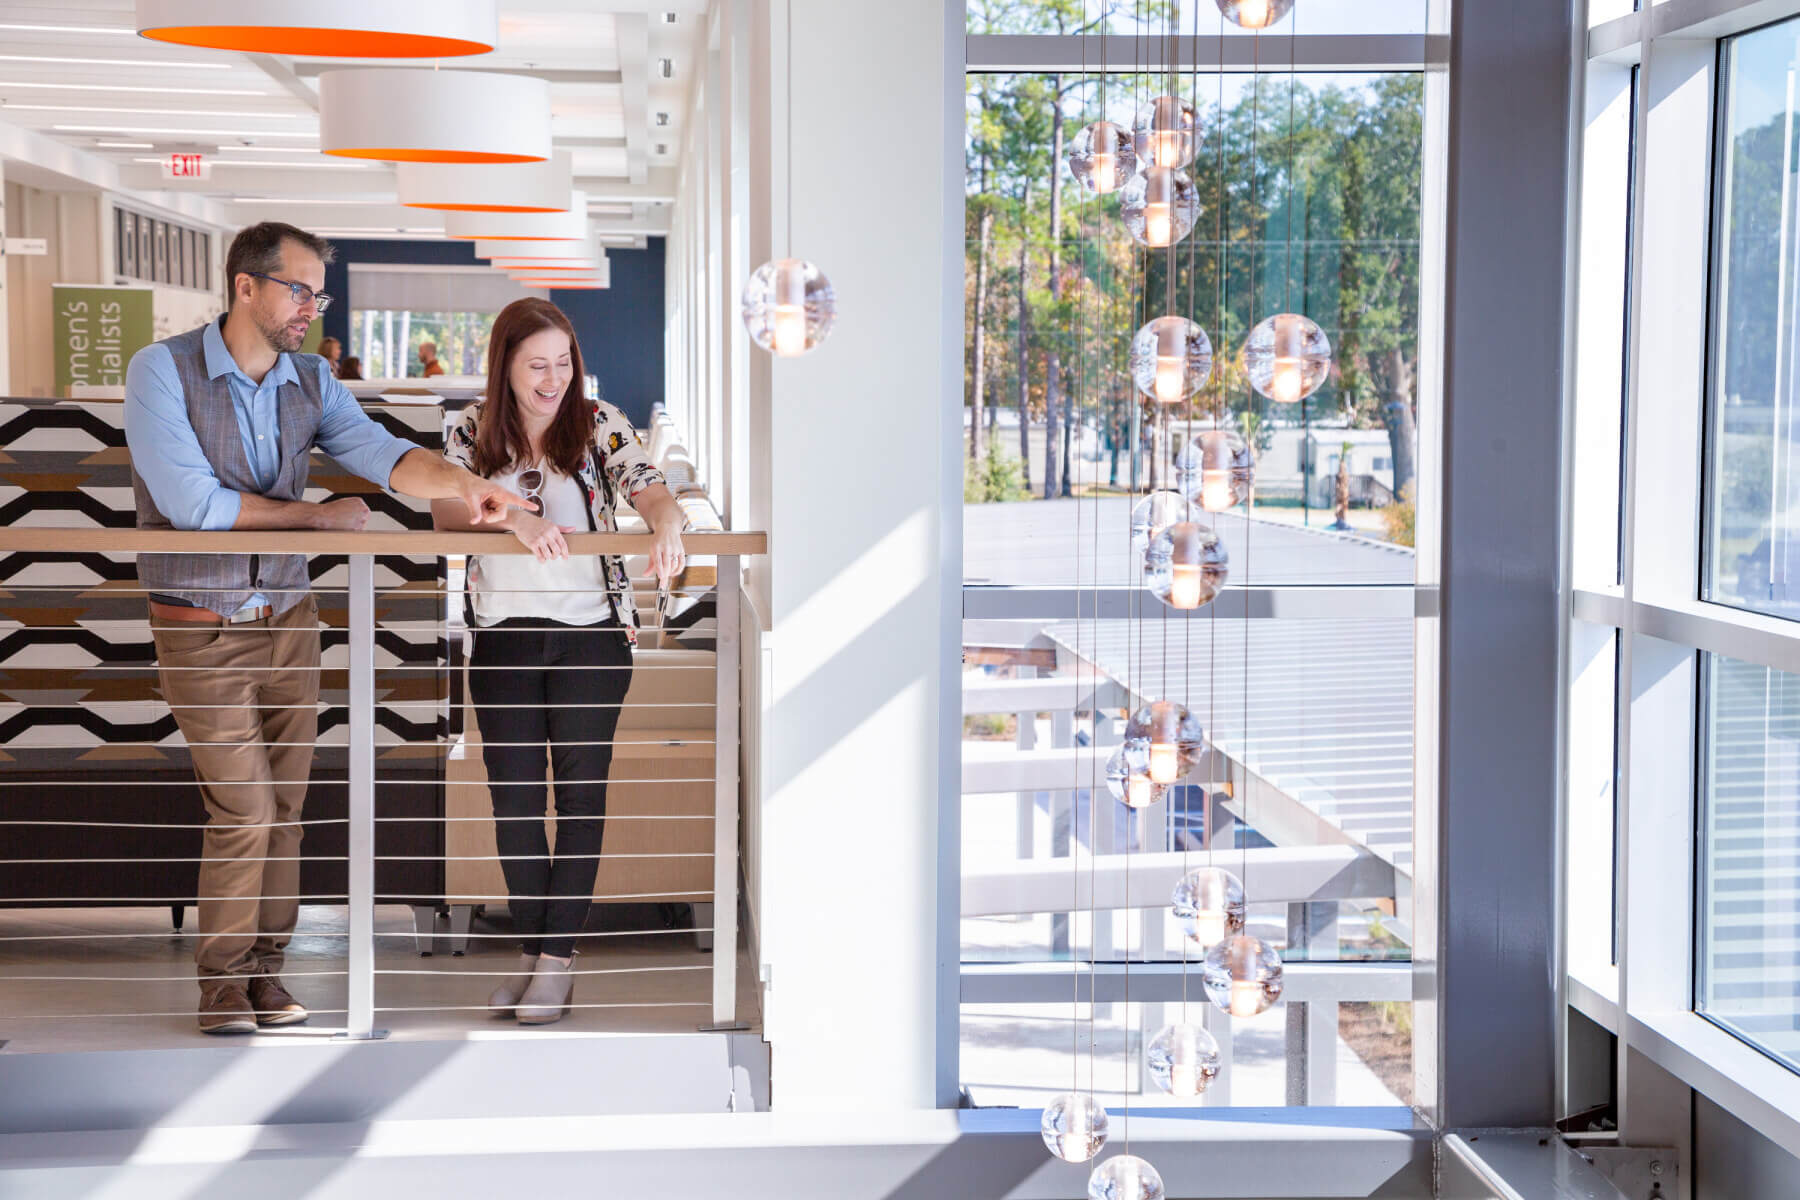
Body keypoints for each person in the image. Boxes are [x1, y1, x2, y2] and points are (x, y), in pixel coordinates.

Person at [125, 222, 533, 1035]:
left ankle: (265, 976)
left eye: (320, 292)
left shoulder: (309, 378)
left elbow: (381, 454)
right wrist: (318, 517)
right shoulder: (160, 371)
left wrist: (463, 483)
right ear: (246, 286)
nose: (313, 306)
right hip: (199, 626)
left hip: (291, 621)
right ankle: (221, 984)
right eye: (300, 289)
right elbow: (194, 507)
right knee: (245, 809)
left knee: (288, 807)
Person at [434, 297, 685, 1025]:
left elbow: (652, 491)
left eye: (563, 362)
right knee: (512, 805)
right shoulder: (469, 431)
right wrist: (513, 514)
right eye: (536, 365)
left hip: (591, 639)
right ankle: (534, 955)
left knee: (578, 802)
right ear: (504, 367)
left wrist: (667, 526)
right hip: (504, 638)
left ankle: (555, 962)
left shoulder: (598, 422)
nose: (553, 379)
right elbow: (447, 513)